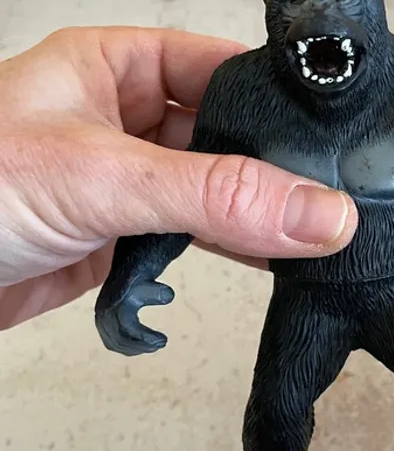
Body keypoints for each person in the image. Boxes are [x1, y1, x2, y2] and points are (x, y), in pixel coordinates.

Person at [0, 26, 358, 330]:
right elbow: (181, 206)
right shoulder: (242, 85)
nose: (320, 12)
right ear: (271, 9)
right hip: (304, 304)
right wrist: (130, 274)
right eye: (296, 0)